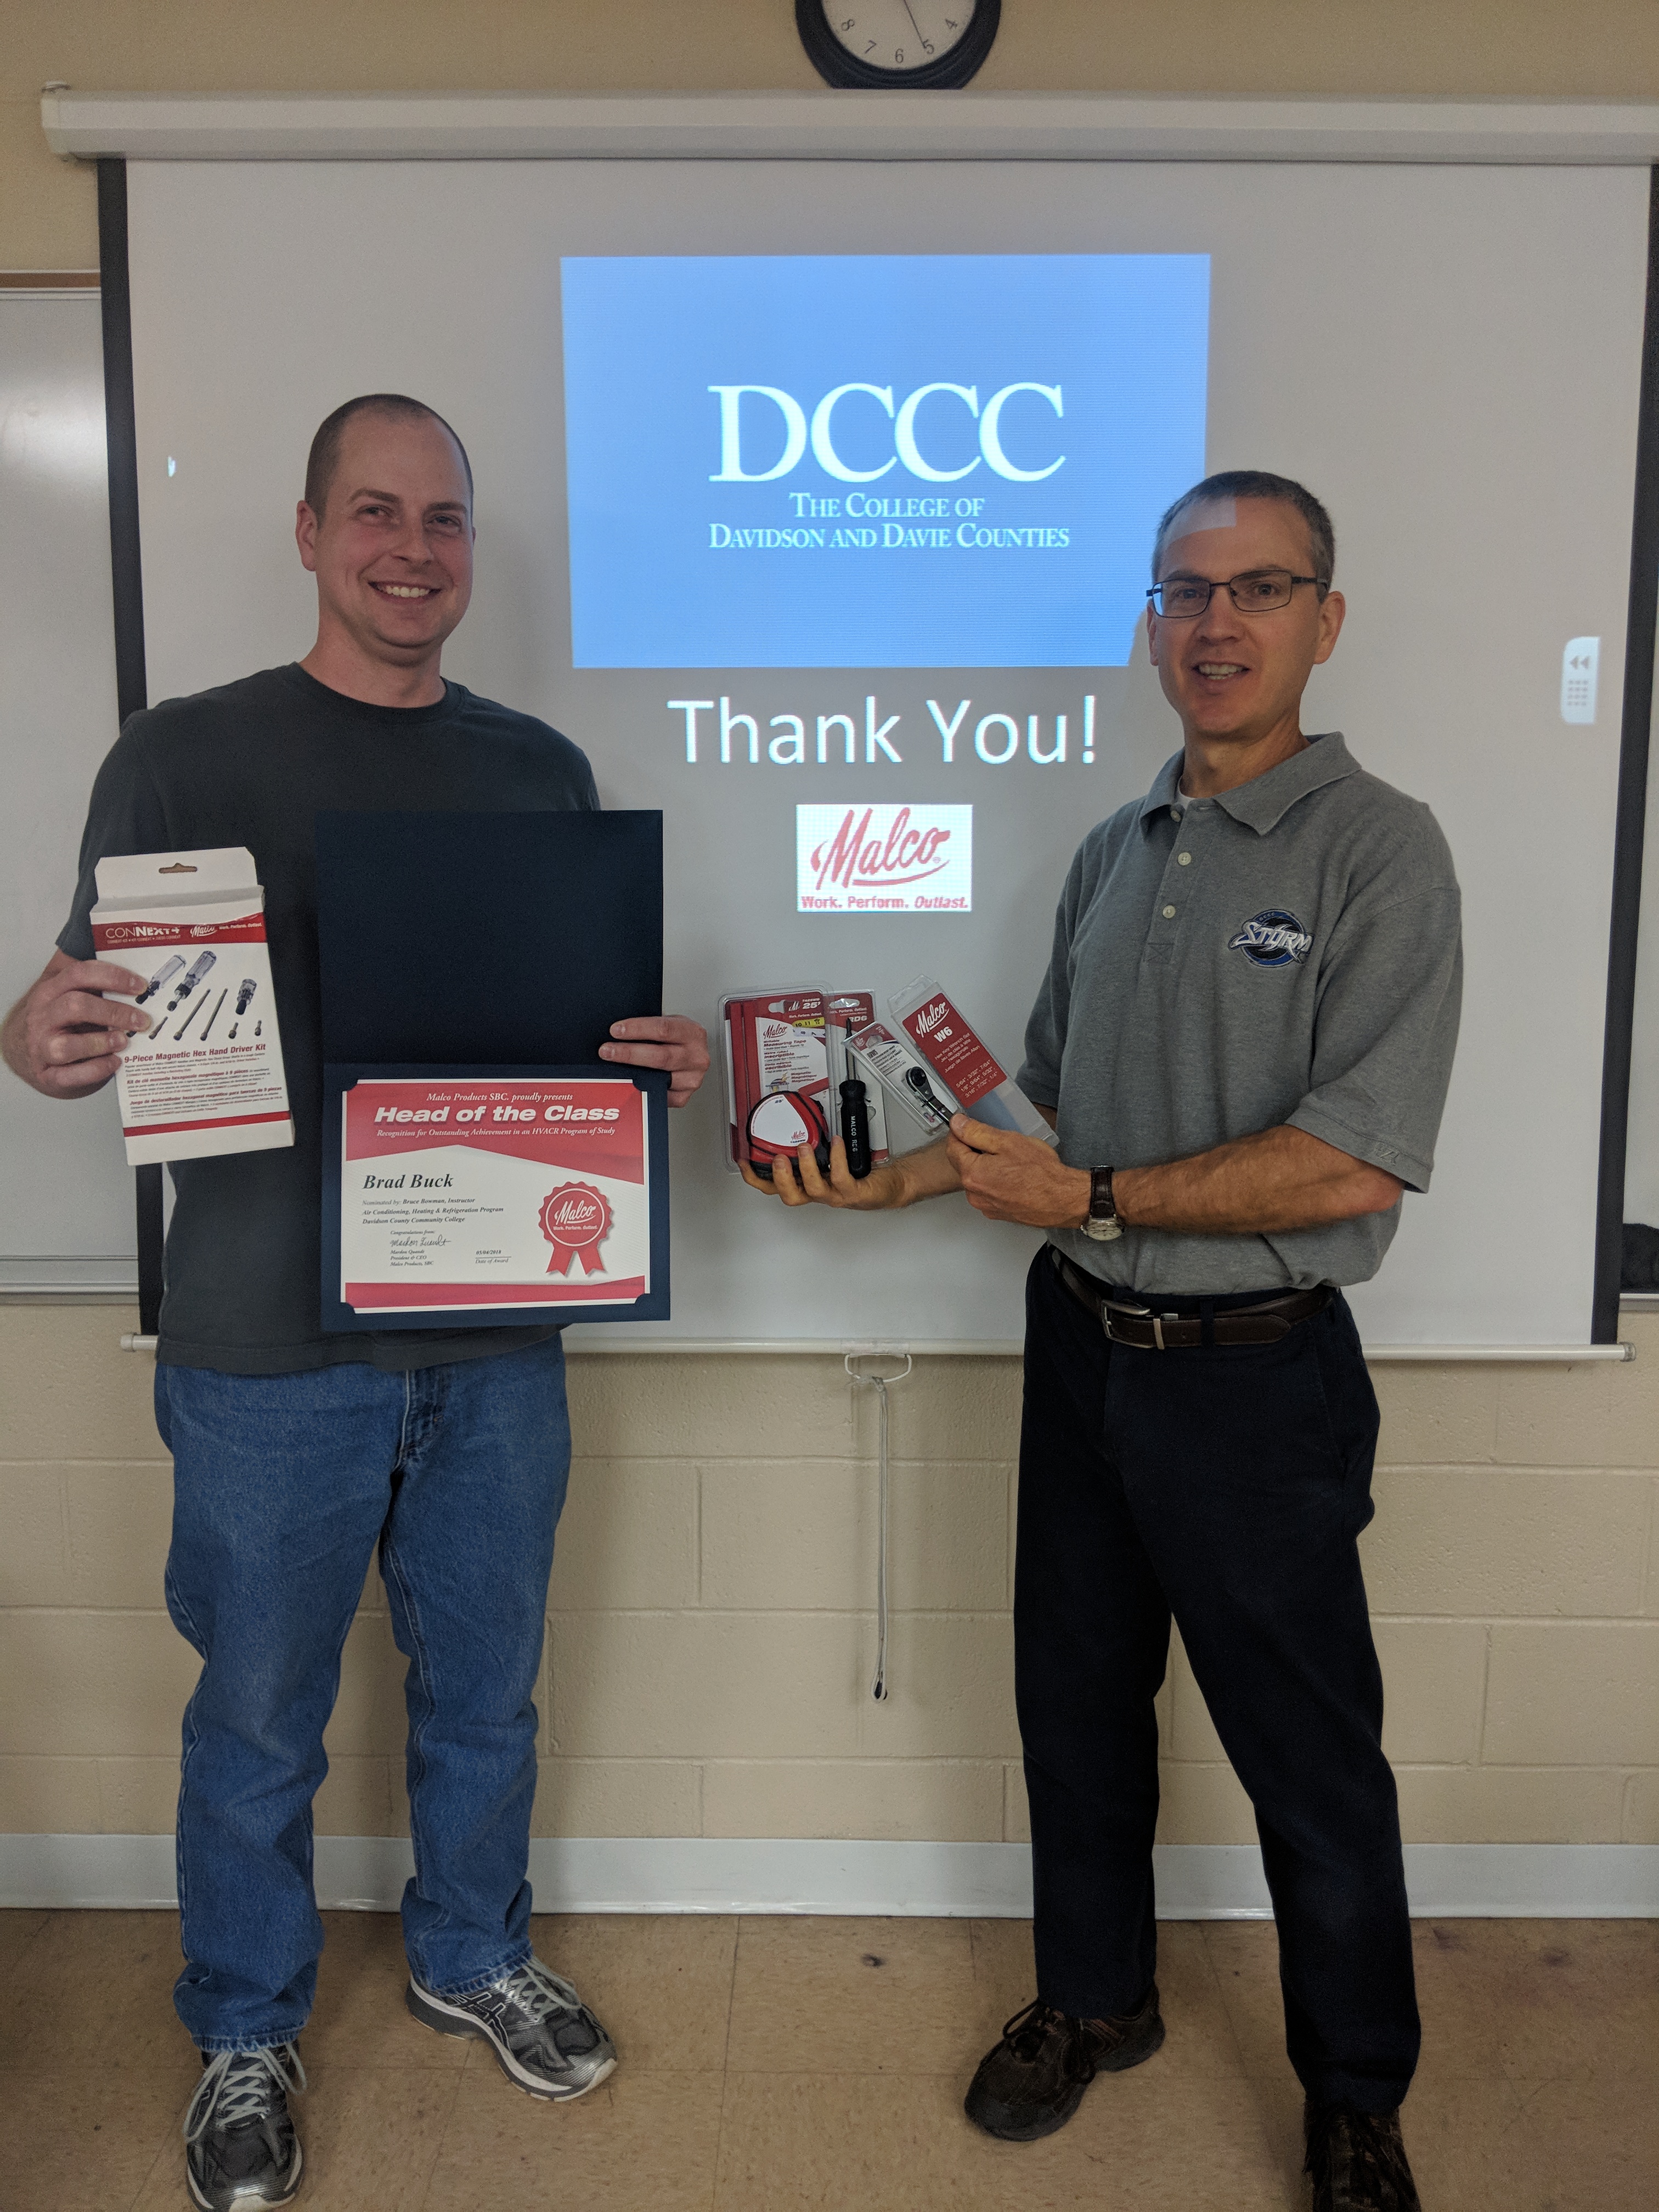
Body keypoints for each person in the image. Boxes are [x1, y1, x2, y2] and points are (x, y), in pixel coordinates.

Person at [3, 394, 709, 2212]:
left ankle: (473, 1955)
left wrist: (645, 1063)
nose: (415, 551)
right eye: (378, 514)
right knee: (256, 1719)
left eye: (447, 520)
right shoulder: (180, 759)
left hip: (493, 1339)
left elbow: (567, 1049)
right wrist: (39, 1037)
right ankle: (247, 2021)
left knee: (487, 1693)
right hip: (260, 1345)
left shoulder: (542, 770)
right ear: (310, 533)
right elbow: (81, 1008)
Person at [744, 470, 1460, 2212]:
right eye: (1183, 592)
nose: (1216, 624)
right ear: (1149, 624)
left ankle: (1357, 2090)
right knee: (1073, 1715)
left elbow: (1358, 1153)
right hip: (1081, 1356)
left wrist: (1101, 1193)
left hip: (1259, 1382)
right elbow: (1038, 1116)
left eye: (1259, 588)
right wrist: (888, 1183)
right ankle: (1096, 2001)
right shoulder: (1109, 852)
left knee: (1310, 1758)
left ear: (1324, 620)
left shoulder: (1384, 850)